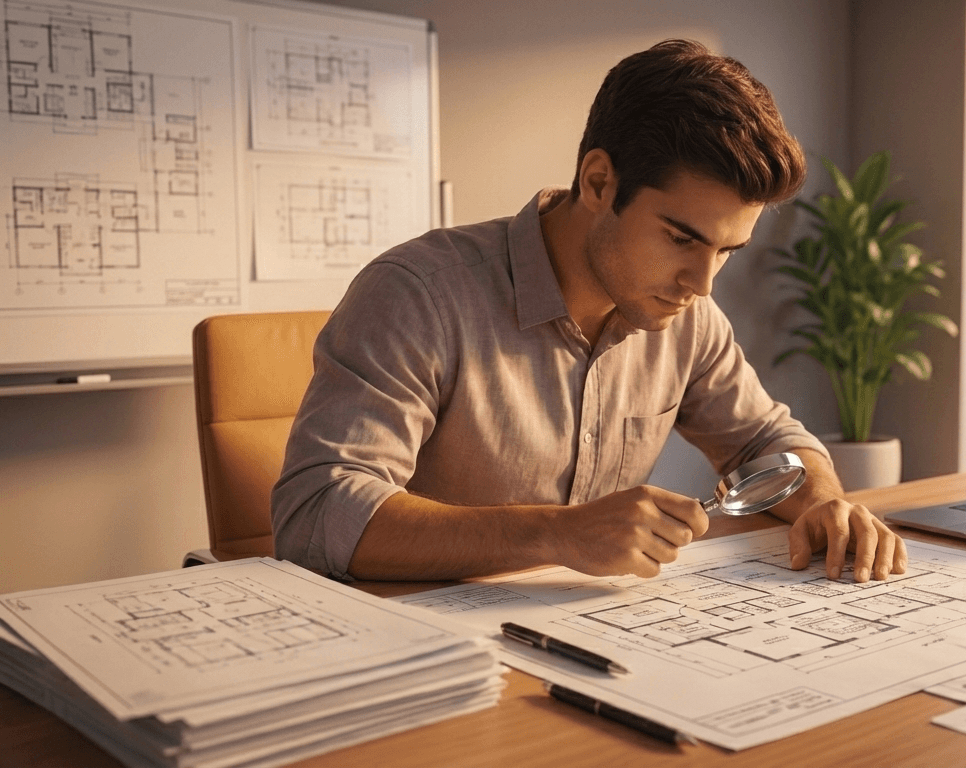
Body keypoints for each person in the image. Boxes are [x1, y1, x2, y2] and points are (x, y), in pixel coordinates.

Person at [271, 39, 908, 585]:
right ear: (600, 182)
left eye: (727, 251)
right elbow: (318, 511)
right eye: (682, 239)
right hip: (424, 649)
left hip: (584, 639)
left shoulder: (684, 314)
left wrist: (825, 502)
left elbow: (767, 442)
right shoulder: (417, 295)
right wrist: (556, 534)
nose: (702, 282)